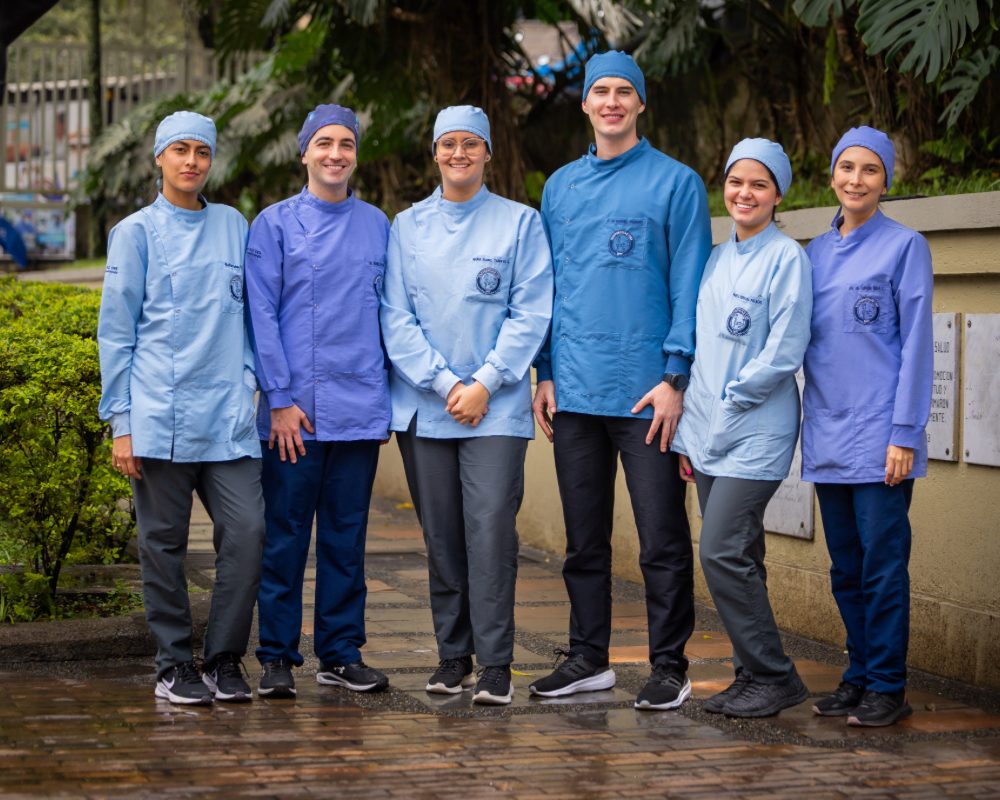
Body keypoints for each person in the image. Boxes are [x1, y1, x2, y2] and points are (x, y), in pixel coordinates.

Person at [529, 51, 712, 710]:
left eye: (622, 92)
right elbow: (545, 289)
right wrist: (544, 371)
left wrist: (675, 373)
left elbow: (688, 282)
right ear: (584, 103)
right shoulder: (559, 188)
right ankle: (587, 658)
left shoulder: (677, 183)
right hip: (574, 389)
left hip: (647, 394)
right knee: (584, 539)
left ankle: (669, 665)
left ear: (640, 104)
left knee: (662, 538)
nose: (610, 102)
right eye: (599, 91)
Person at [380, 106, 553, 705]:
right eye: (448, 144)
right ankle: (453, 655)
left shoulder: (520, 223)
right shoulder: (406, 226)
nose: (459, 154)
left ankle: (498, 664)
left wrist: (485, 382)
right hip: (428, 408)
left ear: (488, 152)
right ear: (434, 153)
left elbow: (531, 311)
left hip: (495, 409)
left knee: (490, 535)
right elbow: (394, 316)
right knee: (443, 538)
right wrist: (442, 382)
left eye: (470, 144)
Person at [98, 111, 264, 705]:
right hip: (160, 418)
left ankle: (223, 658)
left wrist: (248, 379)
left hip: (228, 417)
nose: (191, 161)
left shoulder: (232, 225)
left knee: (247, 531)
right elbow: (116, 334)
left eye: (201, 151)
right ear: (159, 158)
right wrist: (123, 424)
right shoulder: (135, 233)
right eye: (180, 151)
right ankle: (173, 664)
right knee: (161, 546)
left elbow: (249, 316)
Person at [245, 104, 391, 697]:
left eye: (346, 144)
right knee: (283, 538)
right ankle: (277, 656)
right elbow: (259, 315)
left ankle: (340, 651)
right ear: (303, 152)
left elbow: (391, 315)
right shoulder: (273, 225)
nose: (335, 154)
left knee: (345, 538)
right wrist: (278, 398)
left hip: (359, 407)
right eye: (323, 143)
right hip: (293, 416)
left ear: (356, 154)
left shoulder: (381, 224)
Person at [672, 138, 812, 717]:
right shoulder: (716, 256)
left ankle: (776, 675)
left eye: (759, 184)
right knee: (745, 552)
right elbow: (704, 350)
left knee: (720, 550)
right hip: (707, 431)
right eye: (736, 182)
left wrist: (731, 402)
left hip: (756, 428)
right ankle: (750, 672)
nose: (745, 194)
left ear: (778, 193)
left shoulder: (788, 258)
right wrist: (693, 433)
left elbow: (784, 351)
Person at [803, 126, 933, 727]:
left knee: (882, 568)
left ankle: (887, 685)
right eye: (847, 168)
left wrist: (905, 432)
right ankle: (857, 676)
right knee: (845, 568)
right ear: (832, 174)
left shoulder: (906, 246)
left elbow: (917, 347)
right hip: (827, 432)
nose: (856, 180)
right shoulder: (812, 253)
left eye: (870, 170)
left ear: (886, 180)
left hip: (883, 438)